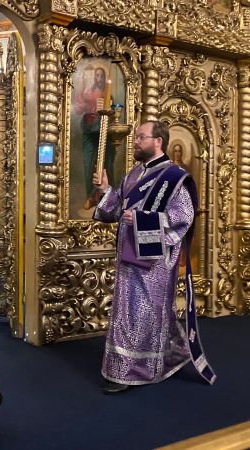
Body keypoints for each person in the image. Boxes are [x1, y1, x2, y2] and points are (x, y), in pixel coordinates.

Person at [93, 120, 216, 394]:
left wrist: (140, 219)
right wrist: (106, 190)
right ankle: (129, 365)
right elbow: (116, 210)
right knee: (127, 312)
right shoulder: (133, 174)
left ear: (158, 141)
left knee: (144, 312)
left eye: (141, 137)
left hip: (154, 263)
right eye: (136, 137)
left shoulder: (174, 177)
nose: (136, 142)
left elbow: (183, 218)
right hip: (128, 254)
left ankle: (138, 369)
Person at [73, 66, 115, 210]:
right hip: (88, 129)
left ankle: (105, 197)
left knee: (105, 163)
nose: (99, 78)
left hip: (103, 130)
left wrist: (109, 111)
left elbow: (113, 113)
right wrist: (83, 102)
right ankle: (90, 197)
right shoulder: (88, 92)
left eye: (101, 76)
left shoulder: (108, 95)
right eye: (97, 75)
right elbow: (78, 109)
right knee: (89, 163)